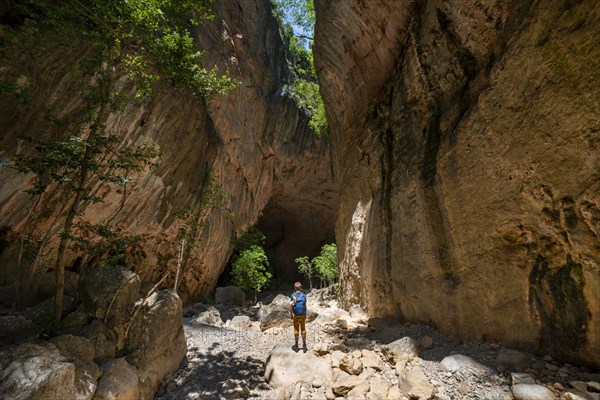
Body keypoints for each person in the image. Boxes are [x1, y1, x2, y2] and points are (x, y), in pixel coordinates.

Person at [290, 281, 307, 352]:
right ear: (300, 287)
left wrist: (291, 314)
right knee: (303, 329)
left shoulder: (293, 295)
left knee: (296, 330)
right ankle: (304, 345)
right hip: (302, 314)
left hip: (296, 315)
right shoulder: (304, 295)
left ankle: (296, 345)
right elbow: (305, 305)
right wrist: (305, 314)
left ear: (295, 288)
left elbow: (290, 305)